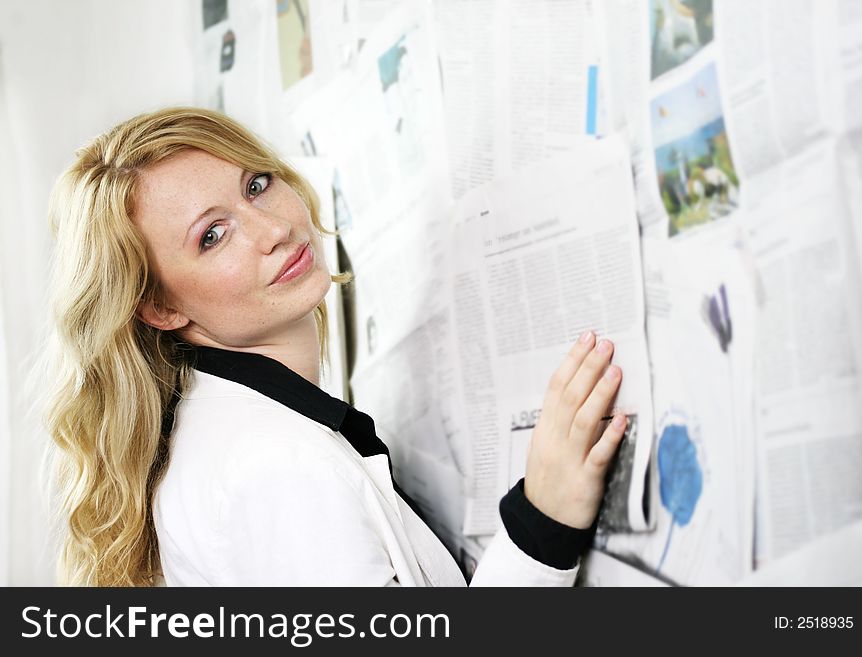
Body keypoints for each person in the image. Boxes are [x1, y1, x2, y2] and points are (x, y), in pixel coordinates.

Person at [43, 107, 627, 586]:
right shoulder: (275, 468)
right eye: (213, 235)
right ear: (161, 308)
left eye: (256, 185)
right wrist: (542, 521)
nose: (274, 229)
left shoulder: (237, 432)